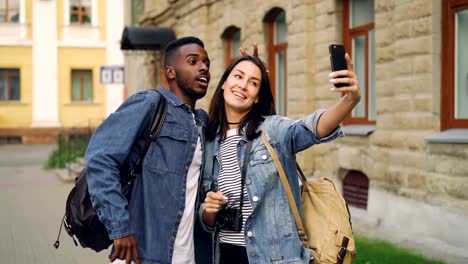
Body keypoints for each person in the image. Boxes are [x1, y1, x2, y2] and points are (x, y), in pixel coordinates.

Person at [199, 54, 361, 263]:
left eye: (253, 83)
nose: (243, 86)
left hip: (274, 257)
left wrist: (349, 100)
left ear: (257, 96)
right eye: (238, 76)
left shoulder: (272, 130)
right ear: (224, 83)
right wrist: (209, 211)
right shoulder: (208, 141)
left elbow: (311, 129)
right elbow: (206, 219)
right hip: (225, 255)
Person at [85, 36, 212, 264]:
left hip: (191, 255)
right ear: (170, 72)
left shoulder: (203, 122)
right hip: (144, 253)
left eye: (206, 63)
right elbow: (100, 159)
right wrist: (120, 228)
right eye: (193, 61)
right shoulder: (150, 104)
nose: (203, 68)